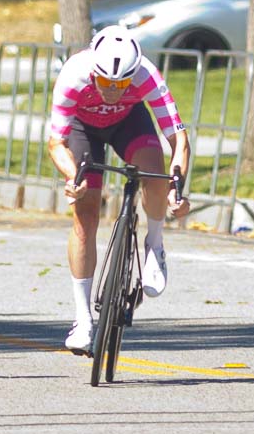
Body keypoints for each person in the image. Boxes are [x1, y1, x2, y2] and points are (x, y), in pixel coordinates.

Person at [47, 25, 191, 353]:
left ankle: (155, 244)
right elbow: (56, 142)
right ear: (93, 71)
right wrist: (72, 177)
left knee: (154, 175)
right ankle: (83, 320)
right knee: (85, 215)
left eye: (122, 83)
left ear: (133, 74)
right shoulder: (73, 75)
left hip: (129, 121)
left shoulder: (147, 75)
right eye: (106, 82)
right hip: (84, 129)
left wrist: (177, 187)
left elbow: (178, 138)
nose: (113, 90)